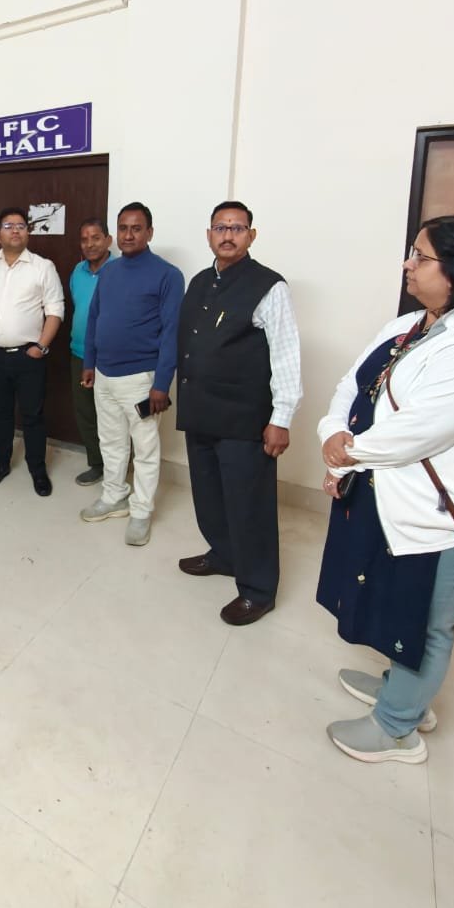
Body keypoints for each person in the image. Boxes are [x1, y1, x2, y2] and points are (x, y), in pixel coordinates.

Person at [317, 215, 454, 764]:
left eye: (421, 256)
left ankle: (398, 728)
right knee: (394, 602)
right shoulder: (407, 325)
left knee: (426, 624)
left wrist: (348, 453)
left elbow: (423, 429)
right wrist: (331, 433)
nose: (408, 264)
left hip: (439, 517)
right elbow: (351, 384)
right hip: (385, 498)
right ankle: (403, 690)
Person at [176, 201, 302, 625]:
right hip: (200, 412)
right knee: (209, 496)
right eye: (220, 227)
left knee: (250, 506)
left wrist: (281, 418)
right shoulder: (199, 281)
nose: (228, 235)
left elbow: (286, 355)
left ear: (252, 235)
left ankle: (258, 590)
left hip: (244, 418)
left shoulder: (269, 286)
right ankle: (224, 555)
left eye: (237, 228)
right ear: (209, 234)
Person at [80, 202, 183, 546]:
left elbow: (172, 333)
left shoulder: (168, 275)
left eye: (136, 228)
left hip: (141, 379)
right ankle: (114, 496)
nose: (128, 235)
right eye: (123, 228)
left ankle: (141, 510)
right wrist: (89, 362)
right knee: (110, 442)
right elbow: (95, 318)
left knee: (145, 448)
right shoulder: (109, 272)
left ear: (149, 232)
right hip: (104, 375)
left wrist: (161, 384)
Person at [0, 207, 64, 496]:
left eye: (21, 225)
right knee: (1, 413)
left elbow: (55, 310)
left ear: (28, 232)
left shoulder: (42, 267)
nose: (15, 230)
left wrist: (41, 346)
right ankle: (0, 464)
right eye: (8, 226)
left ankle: (37, 469)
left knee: (33, 415)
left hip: (28, 357)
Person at [69, 218, 114, 485]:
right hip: (79, 353)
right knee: (86, 412)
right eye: (84, 239)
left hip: (109, 356)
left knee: (112, 417)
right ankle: (97, 464)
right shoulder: (78, 271)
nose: (90, 244)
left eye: (96, 238)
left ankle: (117, 467)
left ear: (108, 240)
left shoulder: (119, 270)